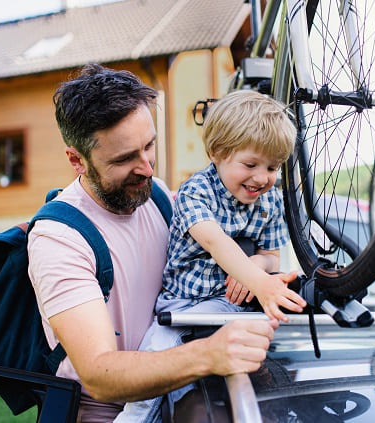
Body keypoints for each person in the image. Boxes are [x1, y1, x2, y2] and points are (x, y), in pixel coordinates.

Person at [27, 63, 280, 422]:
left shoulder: (157, 195)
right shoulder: (60, 240)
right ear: (76, 160)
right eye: (125, 158)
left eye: (149, 146)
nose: (146, 167)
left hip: (182, 401)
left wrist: (258, 265)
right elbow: (99, 375)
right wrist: (207, 355)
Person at [116, 90, 307, 422]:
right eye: (250, 164)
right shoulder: (197, 191)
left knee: (218, 384)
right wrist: (261, 284)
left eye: (273, 167)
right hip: (182, 307)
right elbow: (216, 242)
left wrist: (254, 268)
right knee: (155, 366)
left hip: (227, 306)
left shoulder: (272, 202)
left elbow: (271, 256)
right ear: (218, 153)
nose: (262, 178)